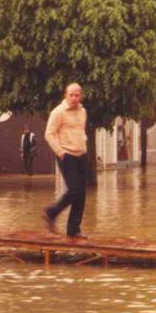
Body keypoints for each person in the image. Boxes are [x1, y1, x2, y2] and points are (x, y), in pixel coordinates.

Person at [43, 83, 88, 238]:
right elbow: (49, 134)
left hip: (81, 154)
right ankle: (51, 212)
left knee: (81, 193)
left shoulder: (83, 111)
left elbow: (81, 132)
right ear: (65, 95)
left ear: (81, 96)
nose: (74, 98)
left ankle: (73, 229)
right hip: (66, 154)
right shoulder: (58, 112)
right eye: (71, 95)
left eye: (77, 95)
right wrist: (59, 151)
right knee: (75, 189)